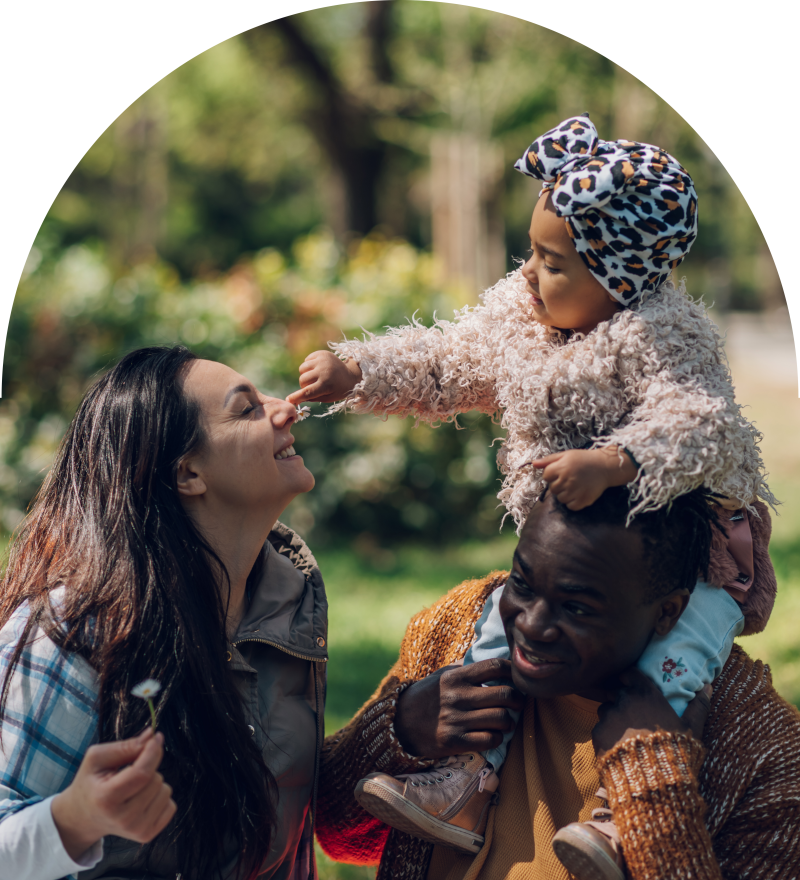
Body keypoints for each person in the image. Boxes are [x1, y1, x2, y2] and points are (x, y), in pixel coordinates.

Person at [287, 114, 778, 873]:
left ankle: (619, 816)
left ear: (620, 276)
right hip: (574, 506)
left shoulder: (665, 338)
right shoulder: (456, 626)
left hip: (697, 542)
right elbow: (449, 362)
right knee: (488, 634)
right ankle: (466, 778)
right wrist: (360, 372)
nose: (527, 275)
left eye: (553, 262)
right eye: (532, 252)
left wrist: (619, 461)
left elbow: (702, 421)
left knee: (690, 652)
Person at [315, 485, 800, 880]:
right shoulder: (460, 630)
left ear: (667, 613)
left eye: (578, 607)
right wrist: (399, 729)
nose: (531, 625)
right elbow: (333, 832)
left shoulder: (765, 753)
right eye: (522, 583)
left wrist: (655, 781)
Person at [0, 346, 327, 880]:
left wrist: (397, 731)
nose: (286, 408)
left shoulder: (290, 599)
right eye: (246, 409)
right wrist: (73, 820)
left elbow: (288, 797)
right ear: (188, 473)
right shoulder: (77, 628)